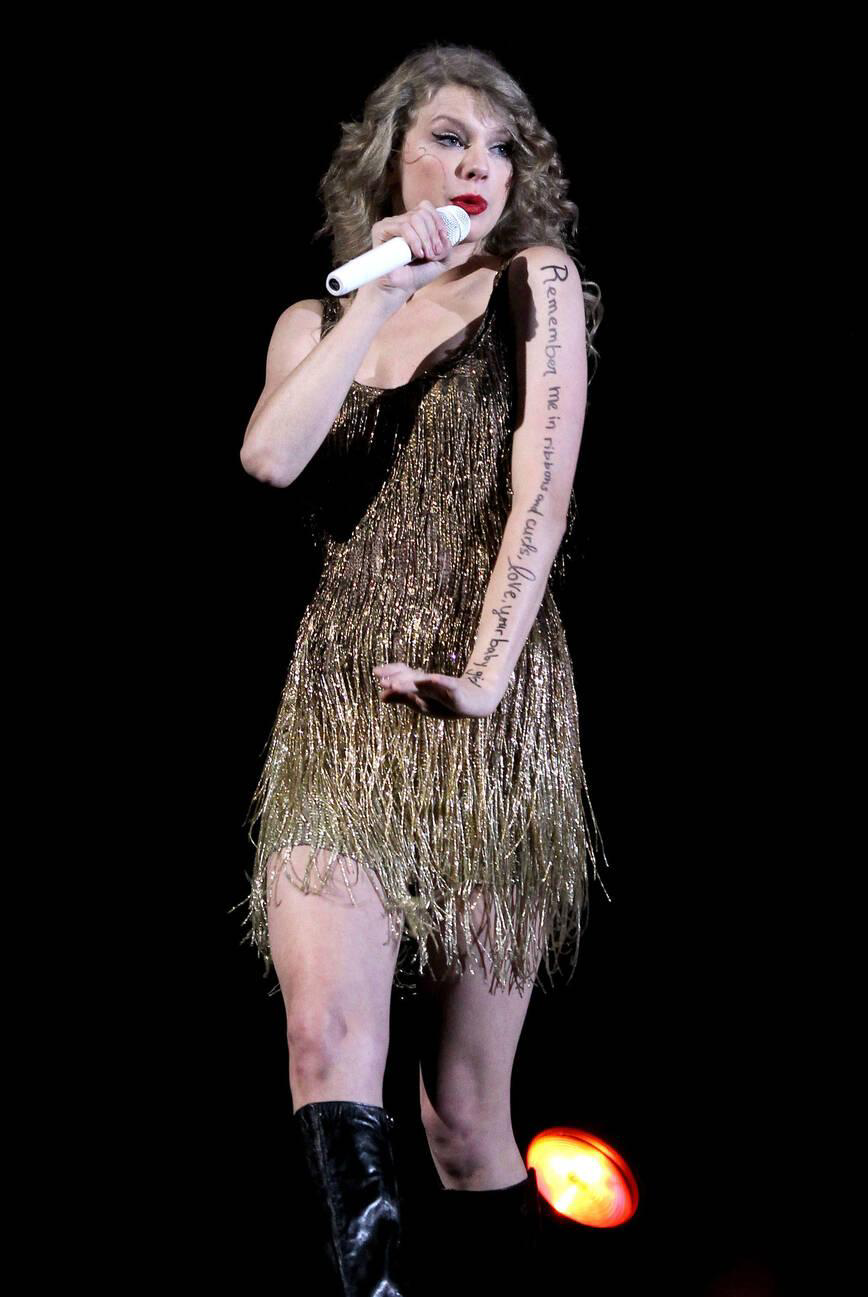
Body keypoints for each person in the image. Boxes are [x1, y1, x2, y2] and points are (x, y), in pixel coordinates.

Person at [235, 43, 610, 1297]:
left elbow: (540, 493)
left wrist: (488, 675)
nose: (476, 164)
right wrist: (381, 293)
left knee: (461, 1116)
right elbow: (271, 459)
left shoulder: (532, 284)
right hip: (341, 701)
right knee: (323, 1042)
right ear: (390, 156)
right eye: (448, 136)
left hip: (490, 701)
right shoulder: (314, 320)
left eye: (502, 147)